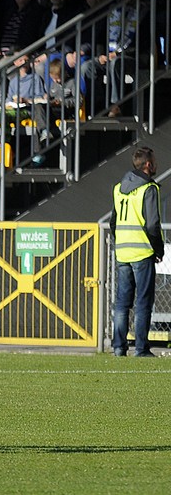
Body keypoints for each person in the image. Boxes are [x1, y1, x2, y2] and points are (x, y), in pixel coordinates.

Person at [109, 147, 163, 358]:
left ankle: (118, 348)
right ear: (148, 165)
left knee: (122, 303)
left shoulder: (118, 188)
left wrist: (120, 241)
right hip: (142, 252)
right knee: (143, 302)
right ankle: (141, 349)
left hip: (122, 252)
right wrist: (158, 249)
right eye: (154, 161)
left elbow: (113, 222)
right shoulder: (149, 188)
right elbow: (152, 224)